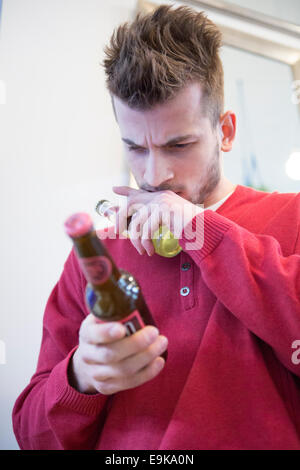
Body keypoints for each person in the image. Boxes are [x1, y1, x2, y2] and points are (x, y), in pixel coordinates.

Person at [12, 5, 300, 450]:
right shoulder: (98, 254)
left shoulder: (292, 218)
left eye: (178, 145)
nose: (154, 174)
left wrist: (202, 232)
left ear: (224, 131)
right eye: (135, 147)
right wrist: (82, 378)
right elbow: (31, 436)